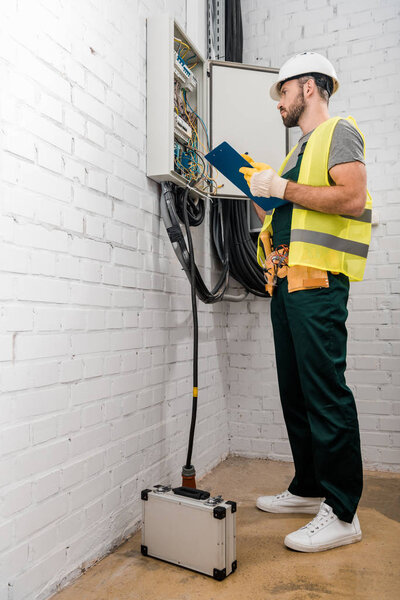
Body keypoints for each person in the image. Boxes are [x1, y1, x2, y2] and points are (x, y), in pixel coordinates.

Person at [239, 52, 372, 553]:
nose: (279, 103)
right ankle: (309, 485)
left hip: (318, 284)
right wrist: (262, 192)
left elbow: (352, 199)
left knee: (325, 392)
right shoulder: (299, 151)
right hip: (286, 282)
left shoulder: (338, 131)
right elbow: (289, 210)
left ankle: (342, 511)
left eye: (283, 92)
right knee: (295, 390)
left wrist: (283, 186)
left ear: (309, 88)